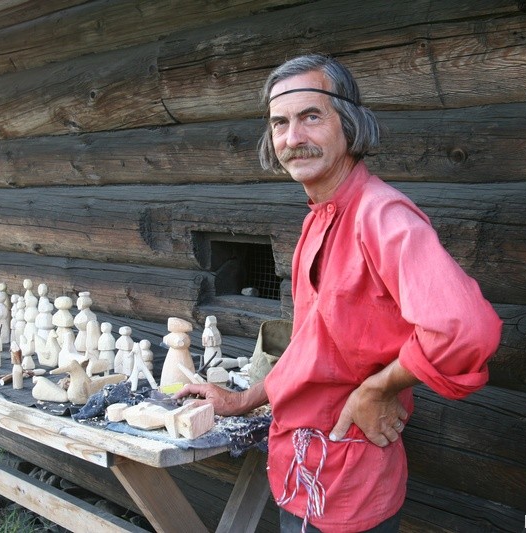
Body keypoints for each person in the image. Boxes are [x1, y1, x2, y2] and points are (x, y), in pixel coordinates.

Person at [176, 54, 502, 533]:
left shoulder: (381, 216)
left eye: (311, 116)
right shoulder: (319, 218)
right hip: (301, 470)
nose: (293, 138)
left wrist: (379, 387)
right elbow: (312, 348)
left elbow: (464, 329)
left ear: (348, 123)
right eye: (280, 123)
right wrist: (244, 400)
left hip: (346, 482)